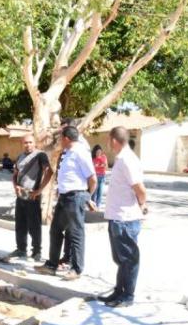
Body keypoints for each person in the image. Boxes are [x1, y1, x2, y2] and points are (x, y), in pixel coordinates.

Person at [35, 126, 97, 280]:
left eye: (61, 138)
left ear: (66, 138)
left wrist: (87, 197)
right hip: (64, 197)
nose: (59, 141)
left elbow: (92, 179)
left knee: (76, 233)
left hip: (75, 197)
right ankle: (51, 265)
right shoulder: (67, 153)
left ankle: (76, 269)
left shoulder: (80, 152)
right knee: (55, 230)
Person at [97, 126, 147, 308]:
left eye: (109, 140)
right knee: (121, 260)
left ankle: (128, 296)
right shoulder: (121, 159)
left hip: (126, 218)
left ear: (114, 140)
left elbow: (140, 189)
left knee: (129, 259)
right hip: (117, 217)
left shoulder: (127, 160)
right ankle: (119, 291)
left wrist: (142, 205)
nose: (108, 143)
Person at [6, 135, 52, 261]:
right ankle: (21, 249)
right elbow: (15, 174)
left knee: (34, 225)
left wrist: (39, 190)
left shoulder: (40, 155)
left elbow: (49, 171)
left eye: (30, 142)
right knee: (20, 224)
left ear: (35, 143)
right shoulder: (20, 157)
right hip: (21, 196)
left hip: (32, 196)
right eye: (25, 143)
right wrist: (15, 186)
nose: (28, 145)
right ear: (22, 143)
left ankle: (36, 251)